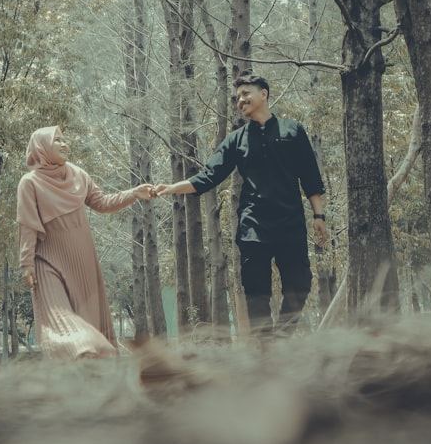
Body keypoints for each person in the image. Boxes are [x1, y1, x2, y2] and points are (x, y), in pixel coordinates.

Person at [155, 73, 327, 335]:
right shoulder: (237, 140)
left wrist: (319, 216)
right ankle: (265, 348)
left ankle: (282, 335)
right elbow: (209, 176)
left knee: (300, 283)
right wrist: (170, 188)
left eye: (246, 94)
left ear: (263, 94)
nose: (240, 100)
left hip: (290, 224)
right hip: (253, 227)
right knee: (256, 294)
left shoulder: (293, 131)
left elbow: (310, 176)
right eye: (237, 97)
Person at [17, 126, 153, 359]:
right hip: (47, 261)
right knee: (58, 317)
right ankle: (80, 357)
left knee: (88, 319)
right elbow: (27, 225)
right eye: (56, 140)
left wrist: (134, 193)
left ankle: (93, 375)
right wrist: (26, 262)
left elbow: (102, 202)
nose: (63, 144)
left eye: (63, 139)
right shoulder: (29, 183)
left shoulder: (79, 175)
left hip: (83, 262)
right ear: (41, 148)